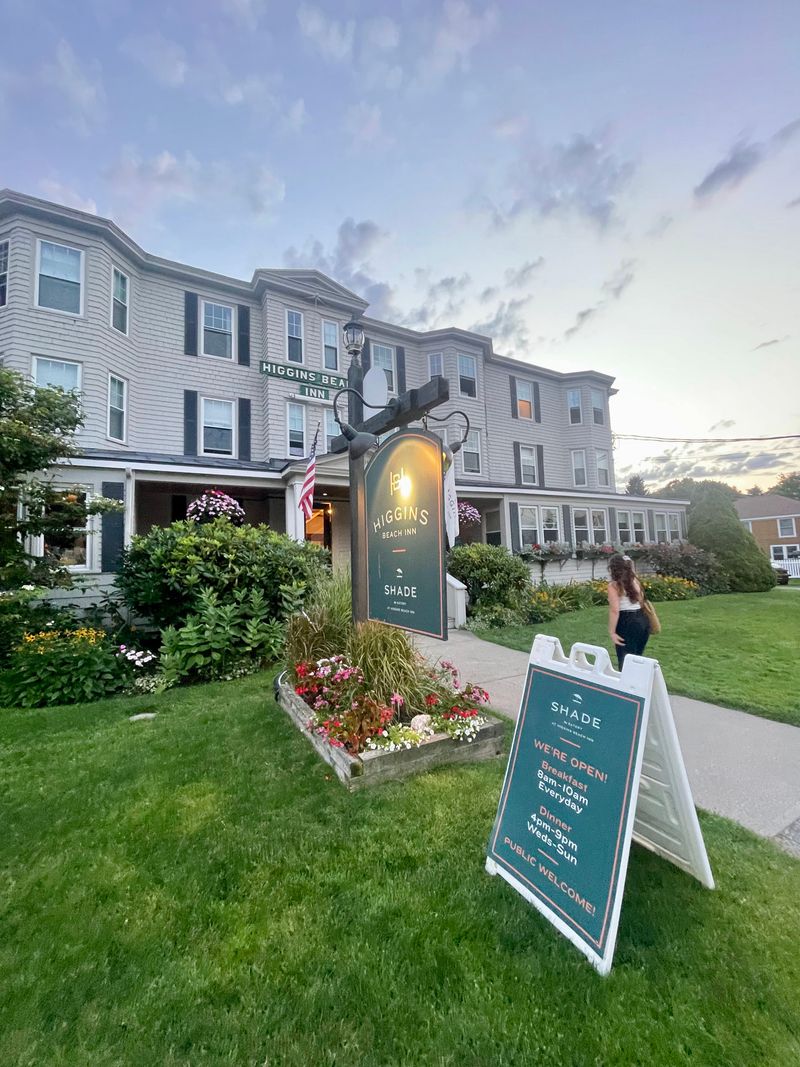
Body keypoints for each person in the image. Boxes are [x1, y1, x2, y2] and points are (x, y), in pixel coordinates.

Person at [607, 554, 650, 669]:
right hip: (642, 620)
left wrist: (612, 632)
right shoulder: (635, 581)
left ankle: (627, 686)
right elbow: (641, 601)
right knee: (637, 657)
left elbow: (615, 610)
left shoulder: (613, 586)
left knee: (625, 660)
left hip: (626, 622)